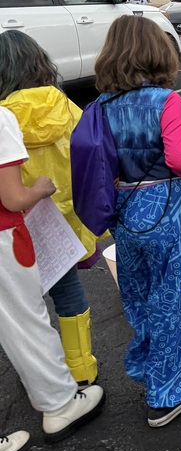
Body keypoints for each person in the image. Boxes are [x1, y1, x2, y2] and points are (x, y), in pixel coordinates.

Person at [93, 15, 181, 428]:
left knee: (140, 297)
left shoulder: (101, 106)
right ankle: (169, 389)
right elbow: (178, 159)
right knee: (179, 297)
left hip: (124, 211)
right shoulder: (166, 100)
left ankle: (149, 367)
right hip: (168, 209)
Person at [0, 104, 105, 451]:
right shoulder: (9, 118)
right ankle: (61, 401)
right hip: (10, 237)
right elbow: (13, 197)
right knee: (28, 322)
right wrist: (40, 189)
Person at [0, 30, 100, 386]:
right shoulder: (64, 105)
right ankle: (81, 367)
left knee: (24, 305)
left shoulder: (3, 116)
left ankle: (41, 374)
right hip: (65, 217)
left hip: (17, 224)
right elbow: (89, 154)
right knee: (68, 291)